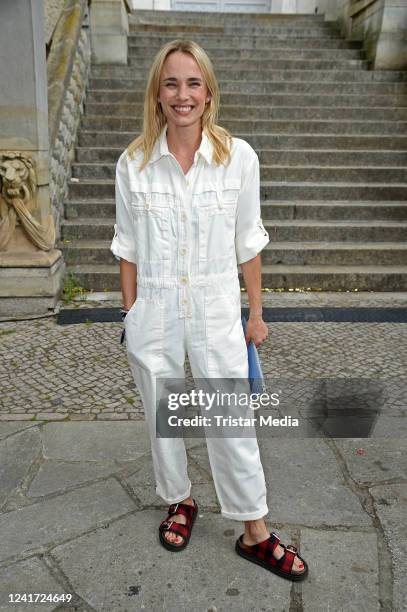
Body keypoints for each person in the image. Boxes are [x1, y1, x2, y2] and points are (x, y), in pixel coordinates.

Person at [110, 39, 308, 581]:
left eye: (193, 83)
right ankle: (180, 501)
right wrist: (133, 316)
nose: (182, 94)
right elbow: (126, 247)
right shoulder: (133, 163)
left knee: (231, 418)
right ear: (157, 92)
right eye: (171, 83)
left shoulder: (237, 157)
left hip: (216, 304)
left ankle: (255, 531)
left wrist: (256, 313)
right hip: (154, 306)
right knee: (164, 419)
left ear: (209, 91)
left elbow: (249, 242)